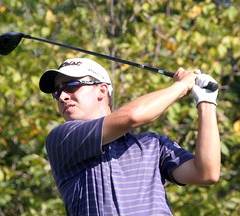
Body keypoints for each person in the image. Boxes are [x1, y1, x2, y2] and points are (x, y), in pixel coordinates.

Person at [39, 58, 220, 216]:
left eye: (71, 86)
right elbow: (133, 117)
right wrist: (181, 86)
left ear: (102, 90)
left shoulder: (153, 144)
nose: (62, 96)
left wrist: (206, 102)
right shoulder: (61, 138)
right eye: (57, 92)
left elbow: (206, 173)